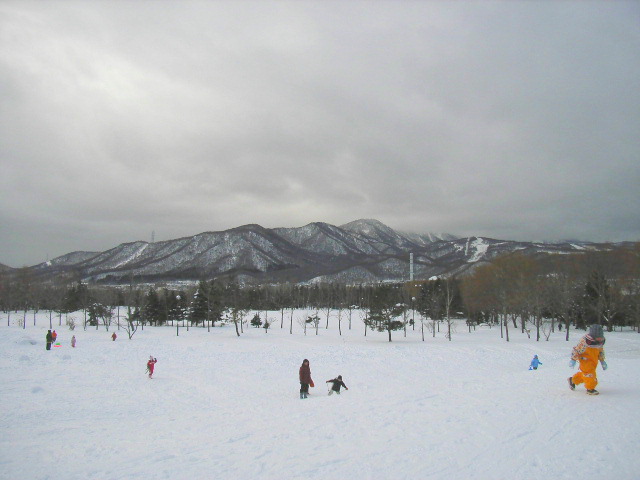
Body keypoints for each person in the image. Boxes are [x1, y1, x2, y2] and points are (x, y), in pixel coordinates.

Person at [568, 324, 607, 395]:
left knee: (585, 374)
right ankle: (590, 388)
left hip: (594, 361)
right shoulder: (585, 342)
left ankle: (573, 380)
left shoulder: (599, 342)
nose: (600, 339)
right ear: (594, 336)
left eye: (601, 337)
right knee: (590, 374)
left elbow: (601, 351)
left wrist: (602, 360)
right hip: (585, 360)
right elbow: (576, 350)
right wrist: (573, 359)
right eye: (598, 337)